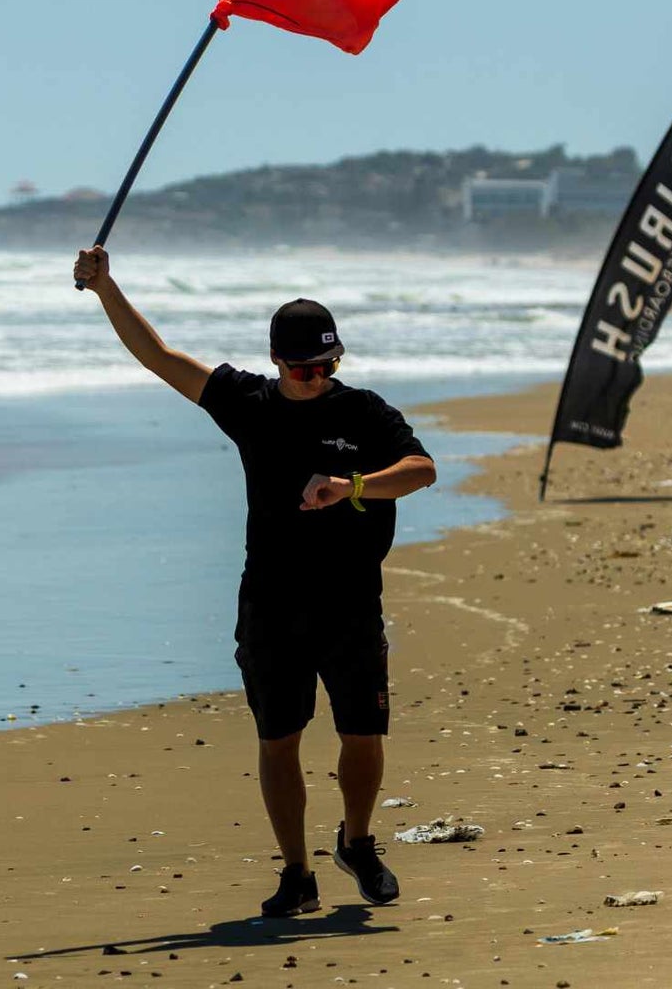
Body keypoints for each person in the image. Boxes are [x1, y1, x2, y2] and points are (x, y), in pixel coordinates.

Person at [73, 244, 438, 917]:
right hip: (271, 604)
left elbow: (421, 470)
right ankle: (297, 872)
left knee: (363, 734)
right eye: (303, 367)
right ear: (277, 361)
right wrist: (106, 290)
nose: (315, 376)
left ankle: (356, 842)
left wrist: (353, 487)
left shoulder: (364, 413)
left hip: (352, 603)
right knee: (280, 739)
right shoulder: (249, 403)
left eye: (327, 364)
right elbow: (160, 358)